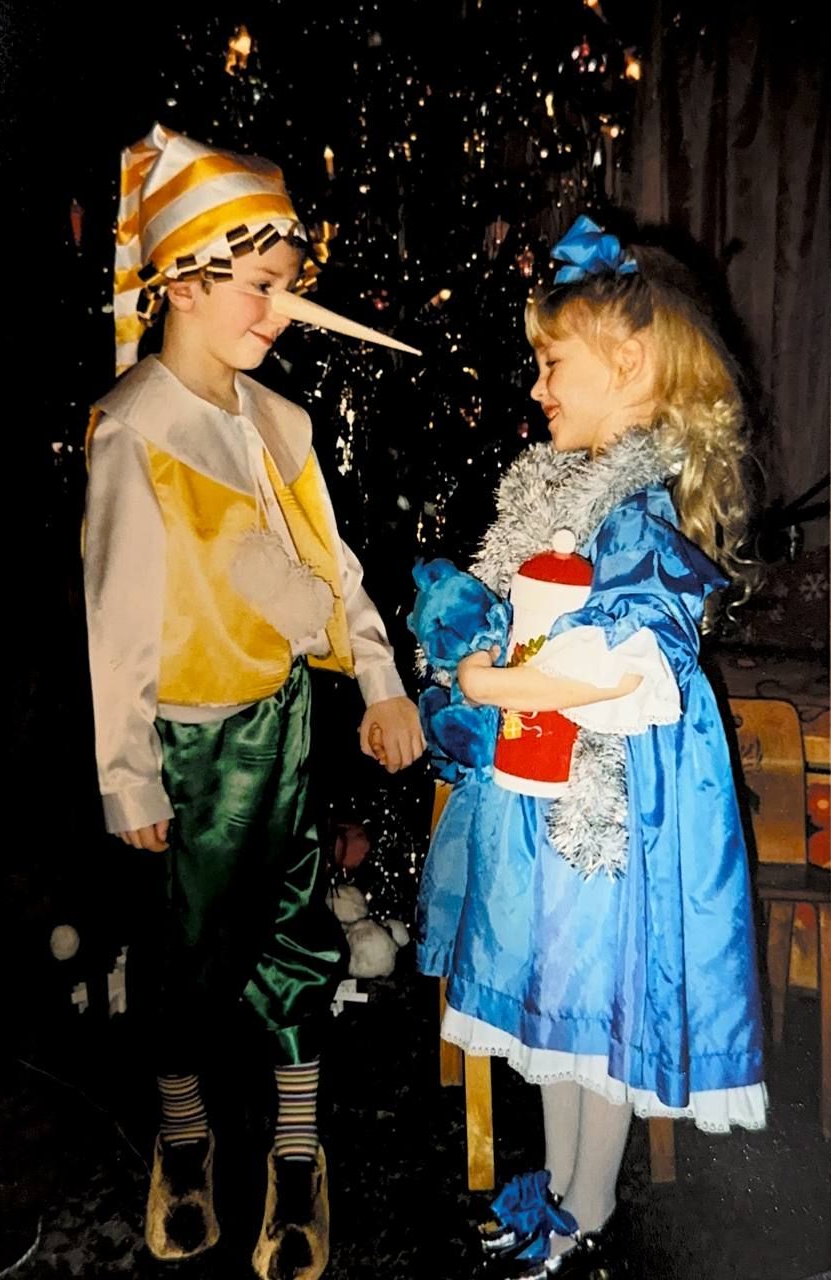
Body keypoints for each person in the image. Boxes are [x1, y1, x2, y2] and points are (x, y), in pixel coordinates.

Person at [82, 121, 424, 1278]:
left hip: (280, 731)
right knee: (180, 956)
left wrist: (375, 676)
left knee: (293, 939)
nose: (281, 312)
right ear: (182, 279)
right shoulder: (135, 430)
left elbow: (330, 570)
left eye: (286, 287)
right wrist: (128, 773)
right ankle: (184, 1141)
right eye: (262, 286)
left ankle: (294, 1153)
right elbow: (117, 620)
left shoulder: (280, 425)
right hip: (186, 752)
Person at [411, 215, 766, 1278]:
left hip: (611, 806)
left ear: (631, 364)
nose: (535, 389)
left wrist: (492, 683)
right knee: (555, 1004)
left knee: (595, 1008)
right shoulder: (558, 497)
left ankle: (587, 1205)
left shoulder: (639, 513)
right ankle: (564, 1191)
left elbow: (623, 669)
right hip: (543, 792)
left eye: (552, 363)